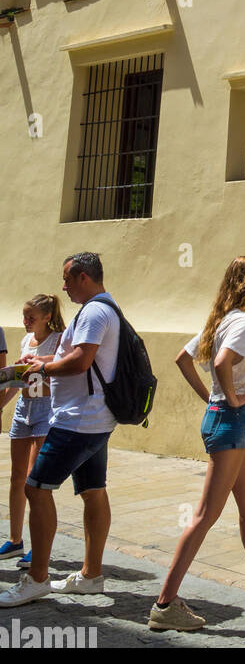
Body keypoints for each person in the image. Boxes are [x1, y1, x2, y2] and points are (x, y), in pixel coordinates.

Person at [149, 256, 245, 631]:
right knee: (206, 514)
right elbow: (222, 362)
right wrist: (230, 398)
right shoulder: (241, 320)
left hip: (225, 420)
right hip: (229, 421)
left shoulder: (218, 319)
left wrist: (213, 397)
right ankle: (165, 603)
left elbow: (182, 359)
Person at [0, 253, 120, 607]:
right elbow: (82, 357)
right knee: (93, 490)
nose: (63, 286)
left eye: (67, 279)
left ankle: (37, 578)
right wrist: (42, 361)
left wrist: (43, 370)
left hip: (77, 419)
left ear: (84, 277)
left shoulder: (95, 312)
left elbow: (81, 361)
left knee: (35, 489)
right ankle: (91, 575)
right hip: (95, 417)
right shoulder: (103, 308)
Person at [0, 295, 64, 568]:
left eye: (31, 318)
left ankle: (39, 548)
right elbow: (18, 382)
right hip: (23, 411)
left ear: (47, 317)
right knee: (16, 477)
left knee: (33, 481)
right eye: (24, 317)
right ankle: (15, 540)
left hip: (45, 412)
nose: (25, 322)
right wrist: (1, 402)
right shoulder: (27, 341)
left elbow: (60, 383)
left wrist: (31, 379)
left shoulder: (59, 340)